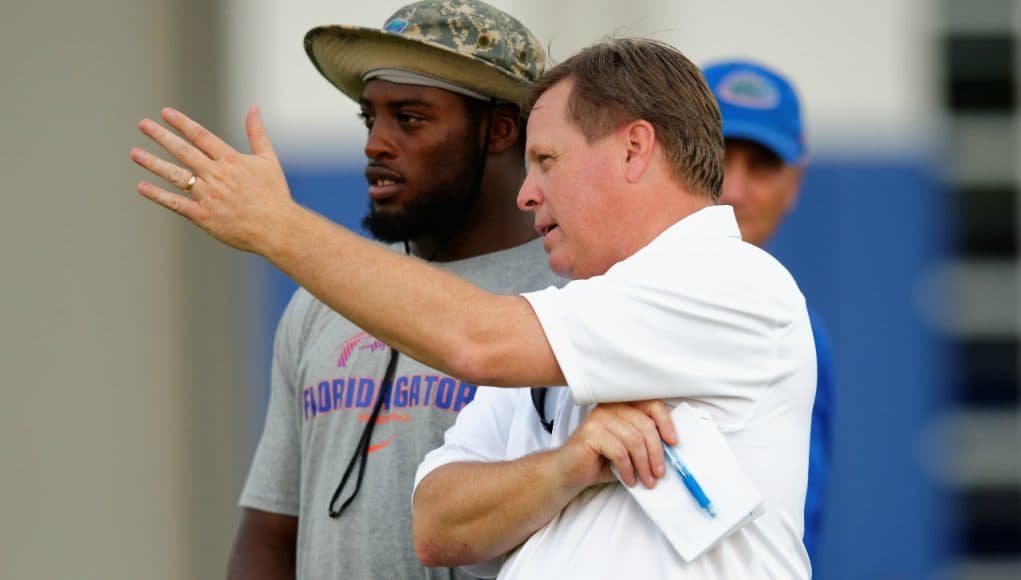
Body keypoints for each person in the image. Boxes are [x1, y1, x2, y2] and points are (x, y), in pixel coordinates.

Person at [131, 37, 814, 578]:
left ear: (633, 148)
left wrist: (276, 227)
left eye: (545, 159)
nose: (528, 192)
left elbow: (475, 343)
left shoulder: (732, 281)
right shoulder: (567, 312)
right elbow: (436, 526)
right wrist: (565, 467)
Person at [132, 1, 554, 578]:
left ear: (500, 130)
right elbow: (270, 535)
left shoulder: (570, 297)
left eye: (409, 119)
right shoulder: (318, 304)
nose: (375, 144)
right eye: (369, 119)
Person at [703, 59, 834, 574]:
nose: (734, 190)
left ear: (795, 183)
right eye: (715, 157)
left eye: (762, 165)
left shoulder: (802, 335)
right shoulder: (586, 287)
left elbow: (798, 528)